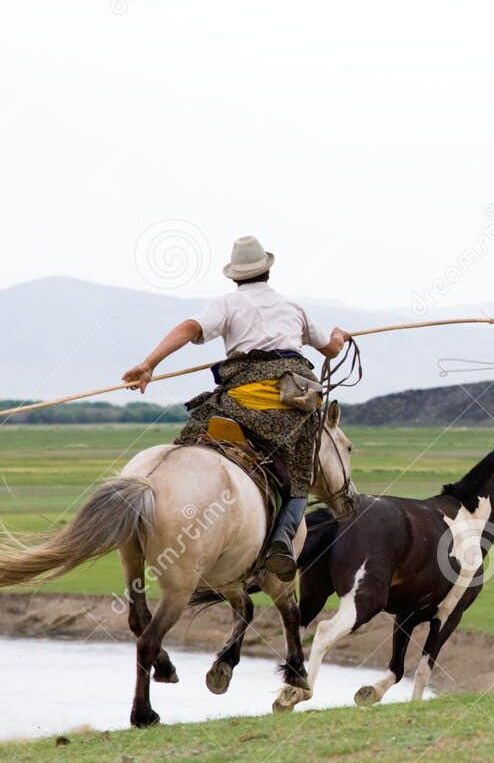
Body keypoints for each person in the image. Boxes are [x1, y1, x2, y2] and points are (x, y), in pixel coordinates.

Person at [122, 236, 350, 576]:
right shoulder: (292, 307)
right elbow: (329, 350)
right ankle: (282, 542)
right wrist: (339, 336)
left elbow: (188, 328)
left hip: (239, 402)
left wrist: (149, 364)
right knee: (301, 473)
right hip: (291, 407)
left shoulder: (226, 304)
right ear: (267, 271)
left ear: (234, 276)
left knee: (191, 441)